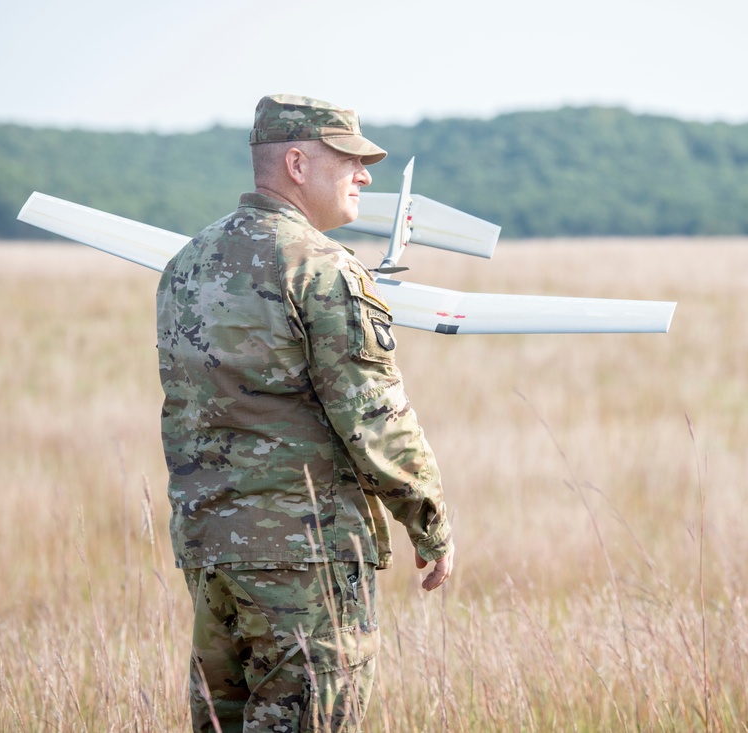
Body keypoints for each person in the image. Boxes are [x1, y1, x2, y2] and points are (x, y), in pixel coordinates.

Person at [156, 94, 455, 732]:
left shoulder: (187, 264)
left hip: (212, 558)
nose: (365, 174)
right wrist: (429, 521)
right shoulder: (321, 268)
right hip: (306, 560)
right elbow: (374, 419)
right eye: (348, 158)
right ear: (296, 163)